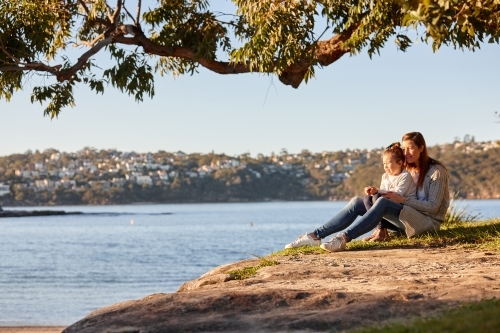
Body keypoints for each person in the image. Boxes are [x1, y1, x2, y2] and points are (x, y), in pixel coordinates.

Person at [285, 132, 450, 252]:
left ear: (422, 148)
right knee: (358, 201)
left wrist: (402, 200)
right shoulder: (406, 170)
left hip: (427, 224)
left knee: (384, 202)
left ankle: (343, 238)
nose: (406, 153)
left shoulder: (436, 171)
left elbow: (434, 207)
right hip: (404, 220)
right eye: (404, 149)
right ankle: (314, 236)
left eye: (411, 149)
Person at [362, 142, 416, 242]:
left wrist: (377, 191)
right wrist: (373, 191)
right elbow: (381, 192)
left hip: (404, 210)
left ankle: (381, 231)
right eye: (384, 164)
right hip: (389, 206)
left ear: (399, 163)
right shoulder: (385, 176)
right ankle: (380, 230)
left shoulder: (405, 176)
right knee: (367, 199)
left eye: (388, 163)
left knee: (377, 197)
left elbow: (396, 195)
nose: (385, 166)